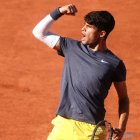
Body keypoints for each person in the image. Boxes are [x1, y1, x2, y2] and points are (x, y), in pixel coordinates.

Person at [32, 4, 129, 140]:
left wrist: (122, 128)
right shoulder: (71, 47)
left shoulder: (114, 63)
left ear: (101, 33)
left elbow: (123, 98)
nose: (82, 29)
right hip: (63, 124)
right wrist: (59, 11)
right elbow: (38, 32)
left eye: (88, 27)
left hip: (90, 130)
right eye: (84, 25)